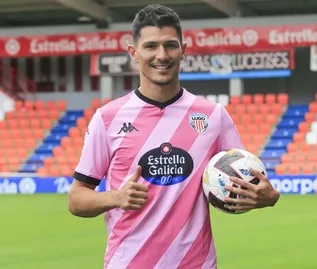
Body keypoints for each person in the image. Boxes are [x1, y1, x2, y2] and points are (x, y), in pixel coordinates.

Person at [67, 4, 280, 269]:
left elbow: (242, 180)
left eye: (170, 45)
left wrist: (268, 198)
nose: (162, 55)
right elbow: (76, 199)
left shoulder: (213, 116)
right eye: (151, 46)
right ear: (133, 53)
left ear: (183, 50)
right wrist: (114, 197)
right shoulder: (107, 118)